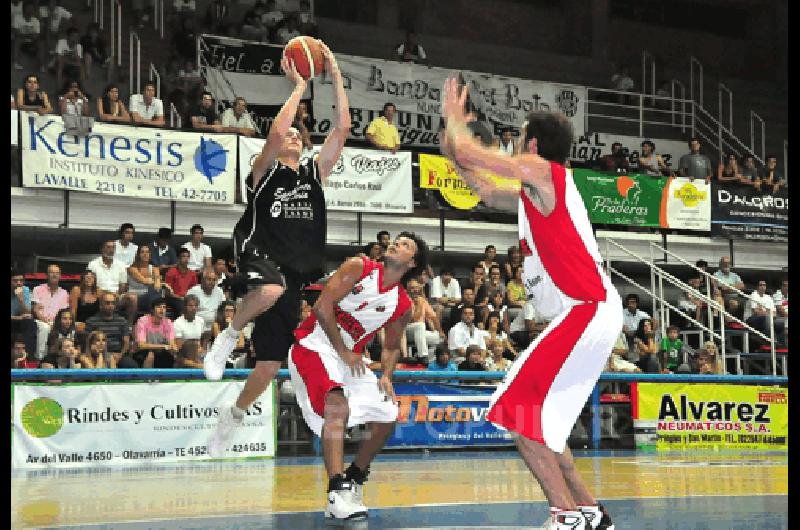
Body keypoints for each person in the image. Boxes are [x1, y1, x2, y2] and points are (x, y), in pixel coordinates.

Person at [440, 78, 621, 530]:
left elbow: (475, 155)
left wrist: (454, 121)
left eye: (519, 136)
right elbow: (477, 182)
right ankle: (592, 514)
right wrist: (451, 140)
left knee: (518, 413)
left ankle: (565, 517)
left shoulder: (548, 174)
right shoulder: (531, 195)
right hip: (585, 314)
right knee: (546, 429)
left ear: (533, 144)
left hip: (587, 309)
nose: (514, 143)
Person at [203, 42, 351, 455]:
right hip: (258, 252)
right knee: (269, 290)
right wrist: (299, 86)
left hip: (293, 272)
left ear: (302, 146)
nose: (288, 136)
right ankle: (228, 337)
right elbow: (272, 132)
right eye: (284, 134)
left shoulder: (313, 173)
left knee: (269, 363)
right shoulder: (262, 173)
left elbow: (341, 129)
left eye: (294, 135)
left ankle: (231, 418)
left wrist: (334, 74)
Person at [288, 232, 427, 520]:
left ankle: (355, 476)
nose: (396, 244)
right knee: (337, 406)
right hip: (315, 344)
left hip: (350, 359)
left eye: (404, 245)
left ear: (412, 263)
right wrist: (344, 351)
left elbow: (390, 347)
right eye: (396, 240)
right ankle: (337, 491)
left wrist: (387, 375)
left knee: (389, 412)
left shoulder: (402, 306)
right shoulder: (358, 267)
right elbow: (322, 307)